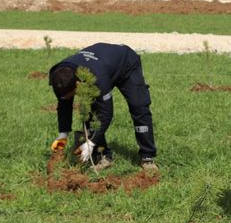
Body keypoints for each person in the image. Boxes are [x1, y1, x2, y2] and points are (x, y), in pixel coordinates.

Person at [48, 43, 158, 172]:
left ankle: (147, 156)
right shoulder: (59, 78)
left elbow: (106, 114)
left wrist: (91, 142)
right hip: (102, 63)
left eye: (74, 93)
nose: (74, 96)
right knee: (91, 112)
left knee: (139, 106)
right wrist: (63, 133)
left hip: (126, 63)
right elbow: (64, 105)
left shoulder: (97, 78)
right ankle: (104, 156)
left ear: (78, 83)